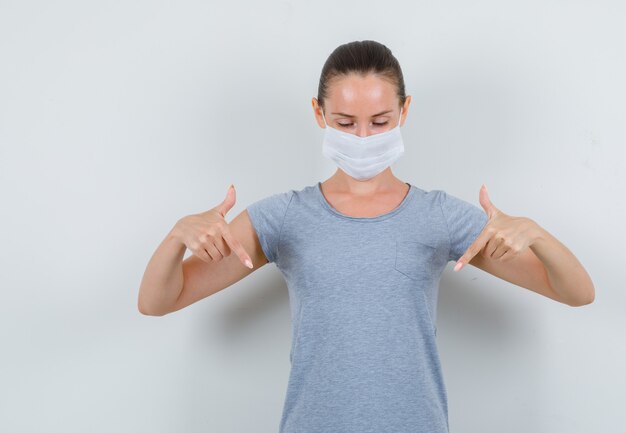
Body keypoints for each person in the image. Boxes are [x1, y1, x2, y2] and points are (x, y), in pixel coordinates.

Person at [138, 40, 595, 433]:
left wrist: (535, 234)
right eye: (344, 122)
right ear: (318, 113)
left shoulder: (438, 216)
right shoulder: (283, 218)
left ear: (405, 111)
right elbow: (158, 300)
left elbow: (575, 291)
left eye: (379, 122)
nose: (362, 137)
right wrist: (177, 236)